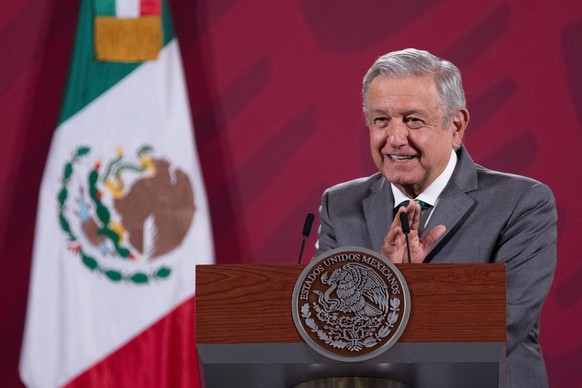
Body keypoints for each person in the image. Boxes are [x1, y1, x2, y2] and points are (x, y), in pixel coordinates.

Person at [316, 48, 557, 388]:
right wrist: (389, 276)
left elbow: (502, 326)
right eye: (381, 120)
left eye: (413, 120)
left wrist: (403, 291)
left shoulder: (521, 203)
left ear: (456, 126)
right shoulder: (341, 204)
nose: (395, 139)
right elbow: (322, 326)